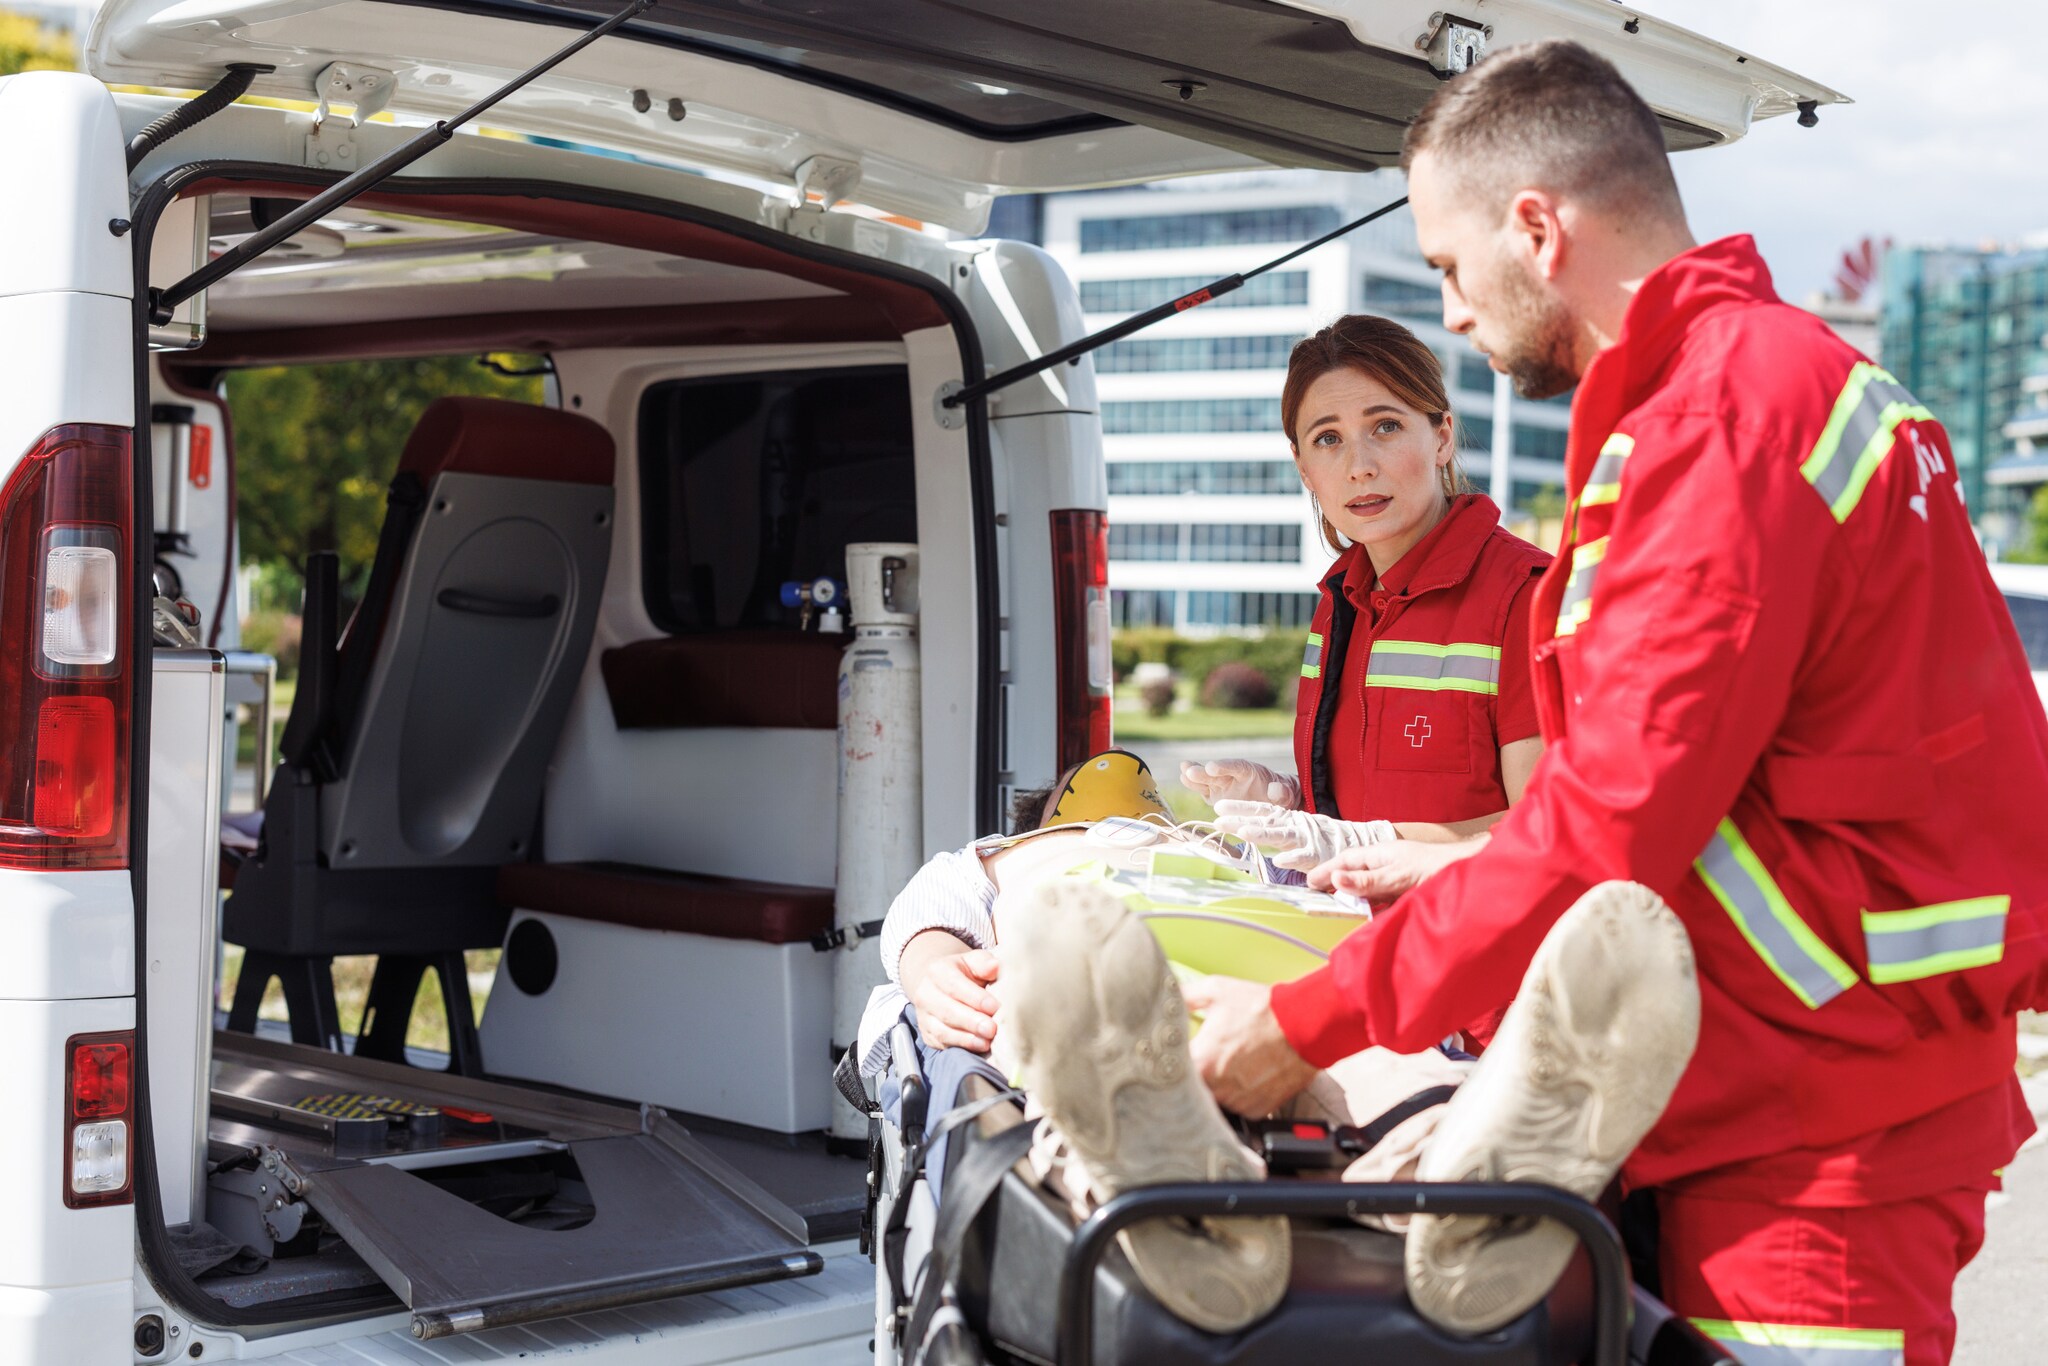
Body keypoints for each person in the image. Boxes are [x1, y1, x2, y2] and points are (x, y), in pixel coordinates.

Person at [1188, 40, 2048, 1366]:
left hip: (1816, 1130)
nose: (1455, 315)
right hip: (1799, 1082)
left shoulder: (1722, 418)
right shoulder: (1751, 387)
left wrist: (1301, 1022)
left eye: (1447, 268)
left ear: (1536, 229)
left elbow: (1607, 823)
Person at [869, 749, 1701, 1338]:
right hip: (1130, 985)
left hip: (1282, 995)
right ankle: (1427, 1176)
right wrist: (933, 972)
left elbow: (1340, 899)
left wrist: (1291, 820)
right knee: (1080, 1032)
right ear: (1048, 812)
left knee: (1370, 1057)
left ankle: (1457, 1181)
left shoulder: (1235, 852)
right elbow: (922, 918)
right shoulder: (1007, 859)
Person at [1180, 315, 1550, 904]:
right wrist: (1290, 806)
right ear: (1305, 468)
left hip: (1478, 964)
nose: (1360, 466)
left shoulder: (1526, 598)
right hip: (1352, 945)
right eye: (1328, 438)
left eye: (1386, 426)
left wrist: (1357, 843)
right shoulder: (1340, 605)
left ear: (1442, 437)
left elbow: (1553, 835)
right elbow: (1367, 805)